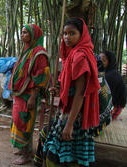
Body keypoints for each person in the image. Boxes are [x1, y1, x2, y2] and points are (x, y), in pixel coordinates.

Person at [40, 18, 100, 167]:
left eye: (72, 33)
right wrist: (59, 90)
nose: (67, 37)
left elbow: (80, 93)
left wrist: (70, 124)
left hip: (75, 116)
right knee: (66, 152)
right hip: (69, 112)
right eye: (65, 34)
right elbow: (71, 86)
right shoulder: (72, 55)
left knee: (58, 152)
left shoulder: (79, 57)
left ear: (82, 35)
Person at [8, 24, 50, 165]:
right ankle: (23, 148)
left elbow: (40, 77)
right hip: (20, 94)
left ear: (34, 35)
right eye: (21, 32)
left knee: (25, 123)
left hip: (29, 95)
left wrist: (33, 96)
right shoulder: (27, 50)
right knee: (17, 120)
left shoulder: (39, 53)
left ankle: (26, 155)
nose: (22, 35)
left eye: (25, 33)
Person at [100, 51, 127, 120]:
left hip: (115, 107)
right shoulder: (108, 72)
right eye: (99, 59)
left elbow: (105, 98)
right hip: (112, 104)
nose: (100, 62)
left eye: (103, 60)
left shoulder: (110, 76)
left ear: (110, 62)